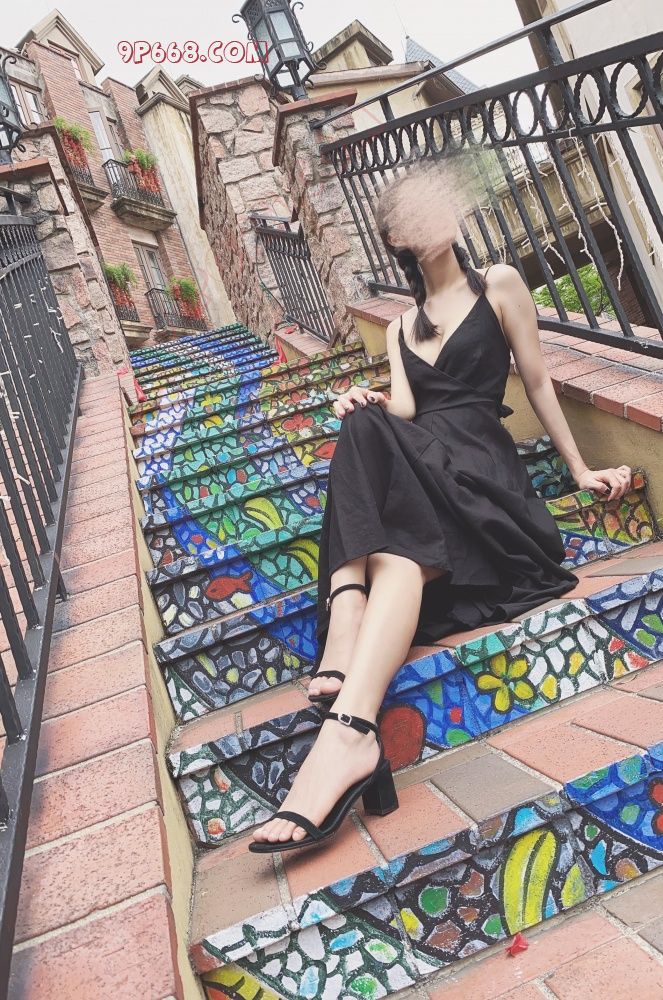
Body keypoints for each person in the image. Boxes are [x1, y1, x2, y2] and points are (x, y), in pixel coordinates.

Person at [249, 160, 632, 854]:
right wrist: (362, 398)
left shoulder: (499, 284)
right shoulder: (401, 327)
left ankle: (346, 616)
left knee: (379, 472)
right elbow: (403, 409)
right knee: (374, 462)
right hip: (426, 476)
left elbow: (538, 382)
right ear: (396, 237)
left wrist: (579, 470)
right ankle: (351, 736)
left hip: (484, 477)